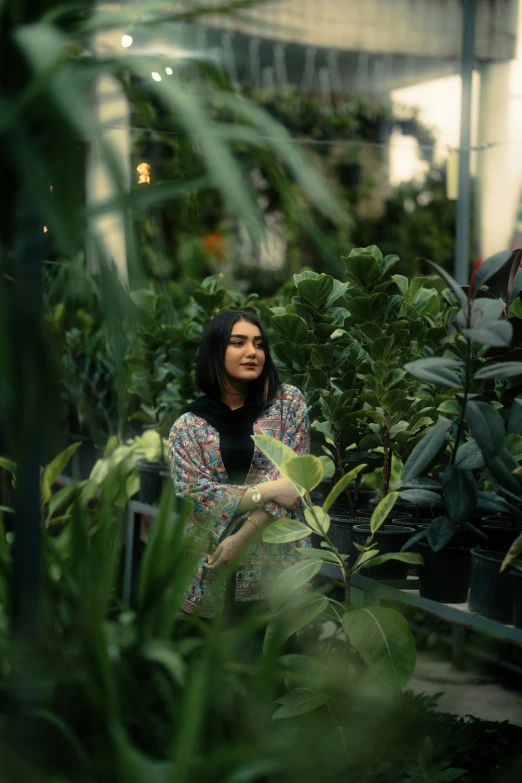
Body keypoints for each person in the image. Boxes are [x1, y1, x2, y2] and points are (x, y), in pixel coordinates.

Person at [168, 309, 311, 620]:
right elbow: (198, 492)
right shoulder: (187, 427)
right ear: (215, 351)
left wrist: (242, 537)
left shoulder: (288, 405)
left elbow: (293, 487)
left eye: (259, 344)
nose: (252, 353)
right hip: (207, 567)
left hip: (275, 568)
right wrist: (269, 489)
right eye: (239, 343)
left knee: (276, 661)